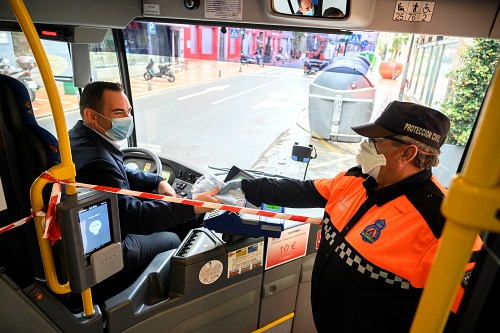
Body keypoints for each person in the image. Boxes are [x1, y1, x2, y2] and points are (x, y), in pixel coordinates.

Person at [217, 101, 482, 332]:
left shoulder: (443, 224)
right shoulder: (356, 180)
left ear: (406, 153)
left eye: (374, 142)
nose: (364, 147)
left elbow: (470, 312)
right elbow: (299, 191)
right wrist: (237, 186)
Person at [69, 81, 219, 285]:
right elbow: (136, 217)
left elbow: (121, 171)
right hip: (109, 249)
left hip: (91, 235)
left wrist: (157, 181)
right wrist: (192, 206)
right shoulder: (97, 160)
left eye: (128, 111)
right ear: (92, 115)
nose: (127, 119)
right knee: (174, 238)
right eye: (118, 112)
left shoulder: (80, 138)